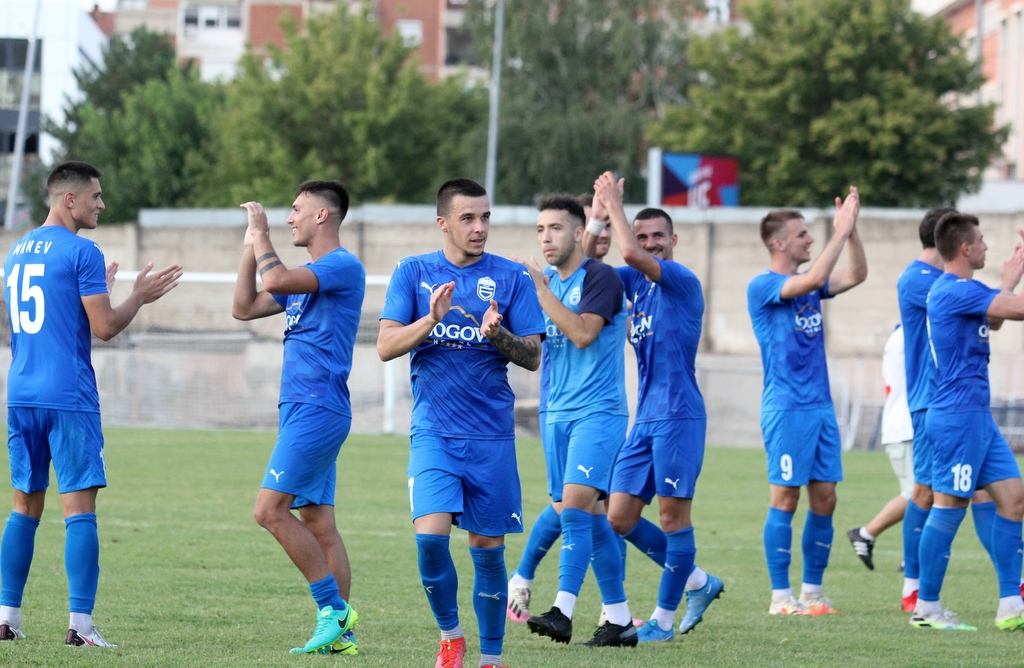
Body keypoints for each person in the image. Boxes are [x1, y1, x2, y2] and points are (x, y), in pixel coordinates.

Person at [0, 161, 181, 646]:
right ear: (70, 199)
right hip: (68, 396)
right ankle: (80, 627)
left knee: (23, 508)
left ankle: (6, 618)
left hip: (21, 394)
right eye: (95, 196)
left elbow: (53, 313)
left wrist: (102, 292)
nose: (101, 204)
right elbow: (105, 327)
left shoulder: (16, 251)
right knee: (79, 510)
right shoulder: (83, 251)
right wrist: (138, 297)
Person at [377, 178, 544, 668]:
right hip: (434, 431)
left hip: (491, 437)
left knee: (487, 551)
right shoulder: (413, 272)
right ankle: (451, 637)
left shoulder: (512, 277)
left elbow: (533, 357)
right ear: (443, 223)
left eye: (485, 217)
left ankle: (492, 659)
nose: (479, 227)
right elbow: (385, 346)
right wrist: (431, 318)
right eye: (468, 218)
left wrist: (498, 335)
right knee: (430, 541)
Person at [587, 172, 725, 642]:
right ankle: (697, 581)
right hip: (644, 418)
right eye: (643, 236)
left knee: (672, 519)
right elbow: (588, 271)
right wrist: (596, 219)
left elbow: (628, 254)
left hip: (679, 416)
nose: (650, 244)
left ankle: (662, 622)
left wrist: (615, 206)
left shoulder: (681, 280)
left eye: (657, 237)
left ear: (674, 240)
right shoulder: (636, 285)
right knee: (619, 517)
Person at [232, 180, 364, 654]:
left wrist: (261, 232)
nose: (289, 218)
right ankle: (342, 638)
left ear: (322, 215)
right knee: (318, 522)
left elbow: (275, 281)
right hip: (302, 409)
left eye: (295, 209)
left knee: (269, 511)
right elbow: (244, 307)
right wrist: (250, 246)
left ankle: (333, 610)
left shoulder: (342, 266)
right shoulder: (305, 277)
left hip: (317, 407)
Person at [513, 195, 636, 647]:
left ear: (580, 233)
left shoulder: (600, 277)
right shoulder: (551, 286)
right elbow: (534, 350)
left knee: (575, 510)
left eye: (556, 228)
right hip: (557, 415)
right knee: (590, 519)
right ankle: (619, 621)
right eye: (540, 230)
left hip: (597, 413)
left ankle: (562, 611)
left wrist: (540, 291)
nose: (546, 238)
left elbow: (583, 334)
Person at [747, 190, 867, 616]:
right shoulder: (763, 285)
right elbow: (815, 278)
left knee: (825, 499)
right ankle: (781, 598)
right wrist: (839, 231)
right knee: (785, 499)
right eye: (802, 235)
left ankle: (812, 593)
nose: (810, 240)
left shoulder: (811, 285)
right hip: (786, 409)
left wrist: (851, 233)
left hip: (820, 407)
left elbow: (857, 274)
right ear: (778, 243)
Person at [911, 212, 1024, 631]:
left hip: (976, 416)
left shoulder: (965, 292)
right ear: (964, 248)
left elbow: (995, 318)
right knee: (950, 507)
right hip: (956, 418)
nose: (986, 246)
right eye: (981, 240)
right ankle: (926, 607)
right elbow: (1017, 310)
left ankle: (1011, 605)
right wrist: (1009, 291)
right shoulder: (953, 289)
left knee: (1014, 500)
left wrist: (1008, 282)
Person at [891, 207, 1002, 612]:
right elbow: (987, 304)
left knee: (988, 492)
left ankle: (1012, 588)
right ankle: (914, 590)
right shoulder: (924, 280)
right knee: (927, 492)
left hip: (960, 404)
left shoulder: (949, 282)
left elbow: (993, 314)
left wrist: (1008, 282)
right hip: (933, 399)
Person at [847, 325, 913, 570]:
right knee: (918, 494)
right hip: (905, 427)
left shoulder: (904, 332)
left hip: (908, 425)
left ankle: (910, 554)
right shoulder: (909, 333)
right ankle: (867, 534)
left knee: (926, 493)